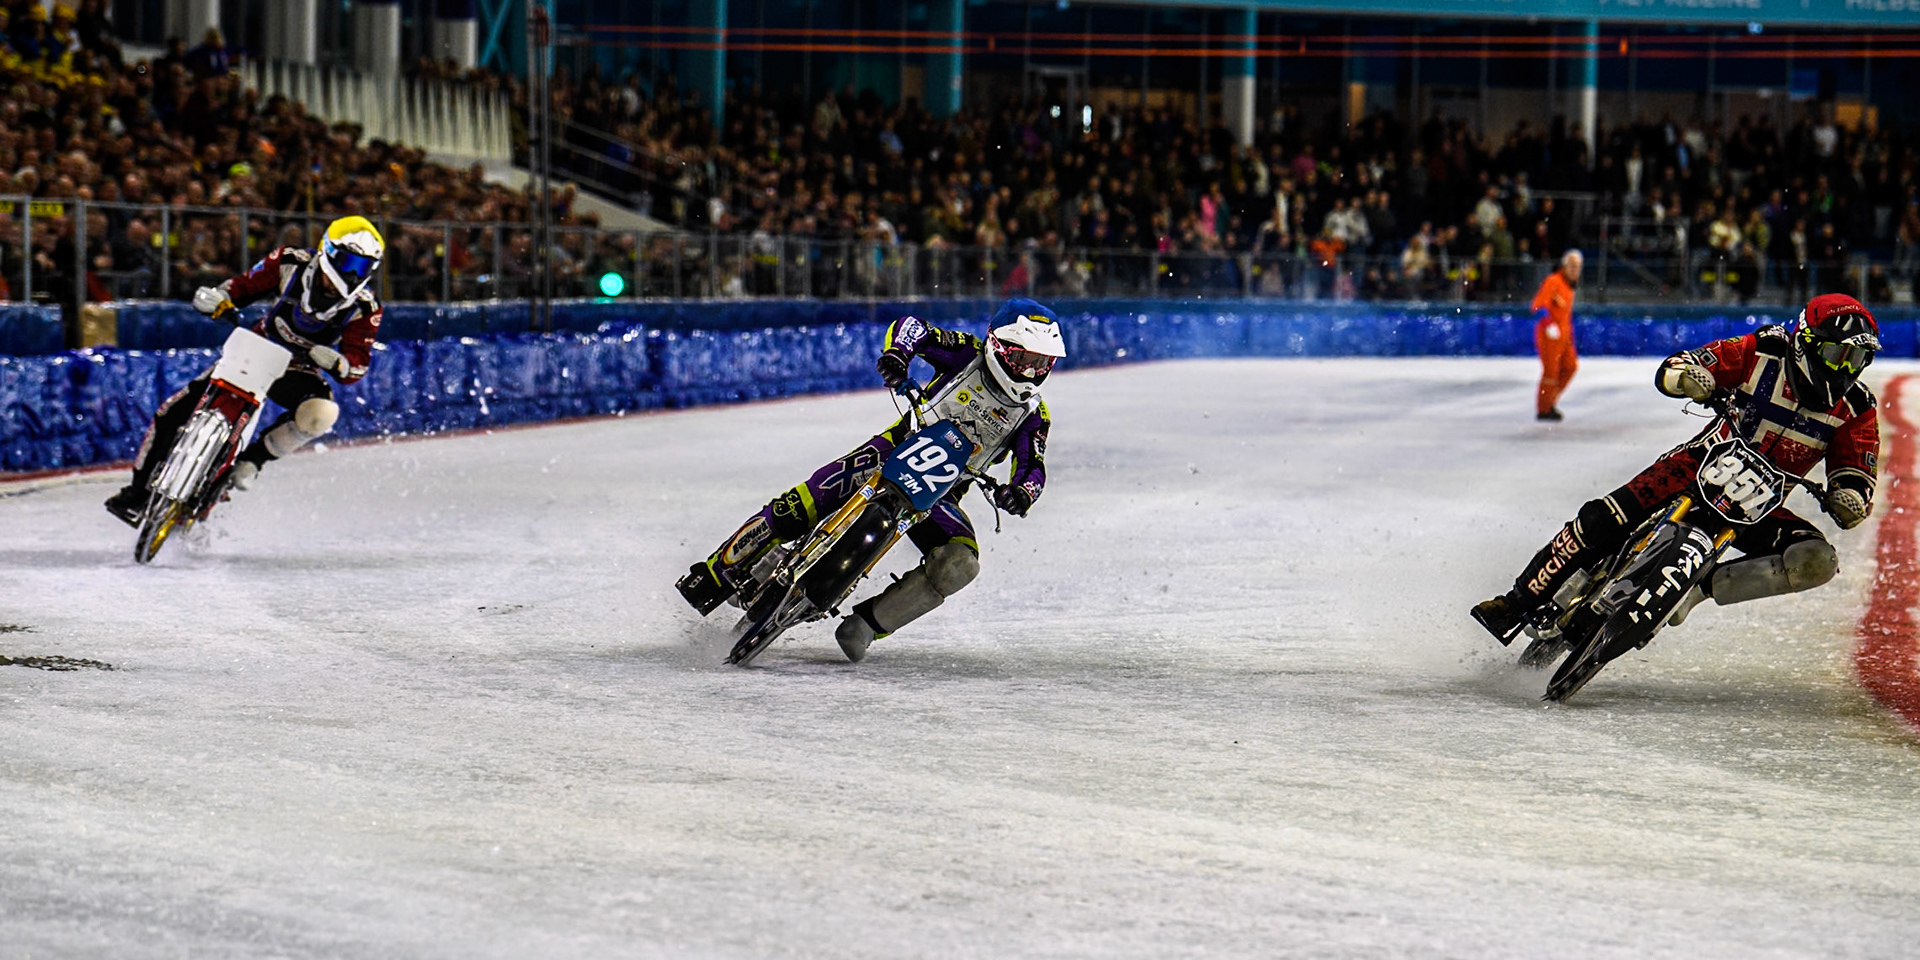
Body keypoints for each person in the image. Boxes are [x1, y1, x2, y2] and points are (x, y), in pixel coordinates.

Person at [1471, 293, 1881, 643]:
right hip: (1698, 465)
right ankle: (1516, 601)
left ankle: (1696, 590)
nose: (1846, 368)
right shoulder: (1762, 350)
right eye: (1837, 354)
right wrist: (1690, 378)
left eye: (1857, 358)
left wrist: (1850, 497)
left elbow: (1857, 472)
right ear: (1805, 343)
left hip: (1761, 505)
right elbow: (1679, 365)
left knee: (1815, 559)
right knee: (1602, 518)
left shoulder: (1857, 408)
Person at [676, 298, 1064, 663]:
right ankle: (714, 574)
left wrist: (1021, 493)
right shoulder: (967, 353)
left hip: (940, 494)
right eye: (1024, 359)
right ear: (997, 346)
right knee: (800, 503)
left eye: (1042, 363)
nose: (1032, 372)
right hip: (890, 452)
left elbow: (1034, 465)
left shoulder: (1033, 415)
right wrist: (898, 355)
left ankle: (866, 626)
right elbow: (913, 327)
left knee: (960, 563)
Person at [104, 216, 387, 524]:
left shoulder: (366, 306)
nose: (348, 274)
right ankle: (137, 493)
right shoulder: (289, 261)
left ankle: (253, 460)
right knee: (171, 413)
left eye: (360, 268)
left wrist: (337, 362)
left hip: (301, 370)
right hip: (256, 349)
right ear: (327, 250)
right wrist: (220, 299)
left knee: (321, 414)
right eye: (346, 262)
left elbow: (357, 365)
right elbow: (241, 287)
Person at [1532, 249, 1583, 421]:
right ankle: (1544, 408)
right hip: (1550, 336)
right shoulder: (1553, 281)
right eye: (1572, 266)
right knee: (1551, 372)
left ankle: (1551, 400)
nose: (1575, 270)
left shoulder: (1569, 287)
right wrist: (1549, 324)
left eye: (1577, 266)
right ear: (1564, 265)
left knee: (1570, 366)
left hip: (1564, 336)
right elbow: (1539, 306)